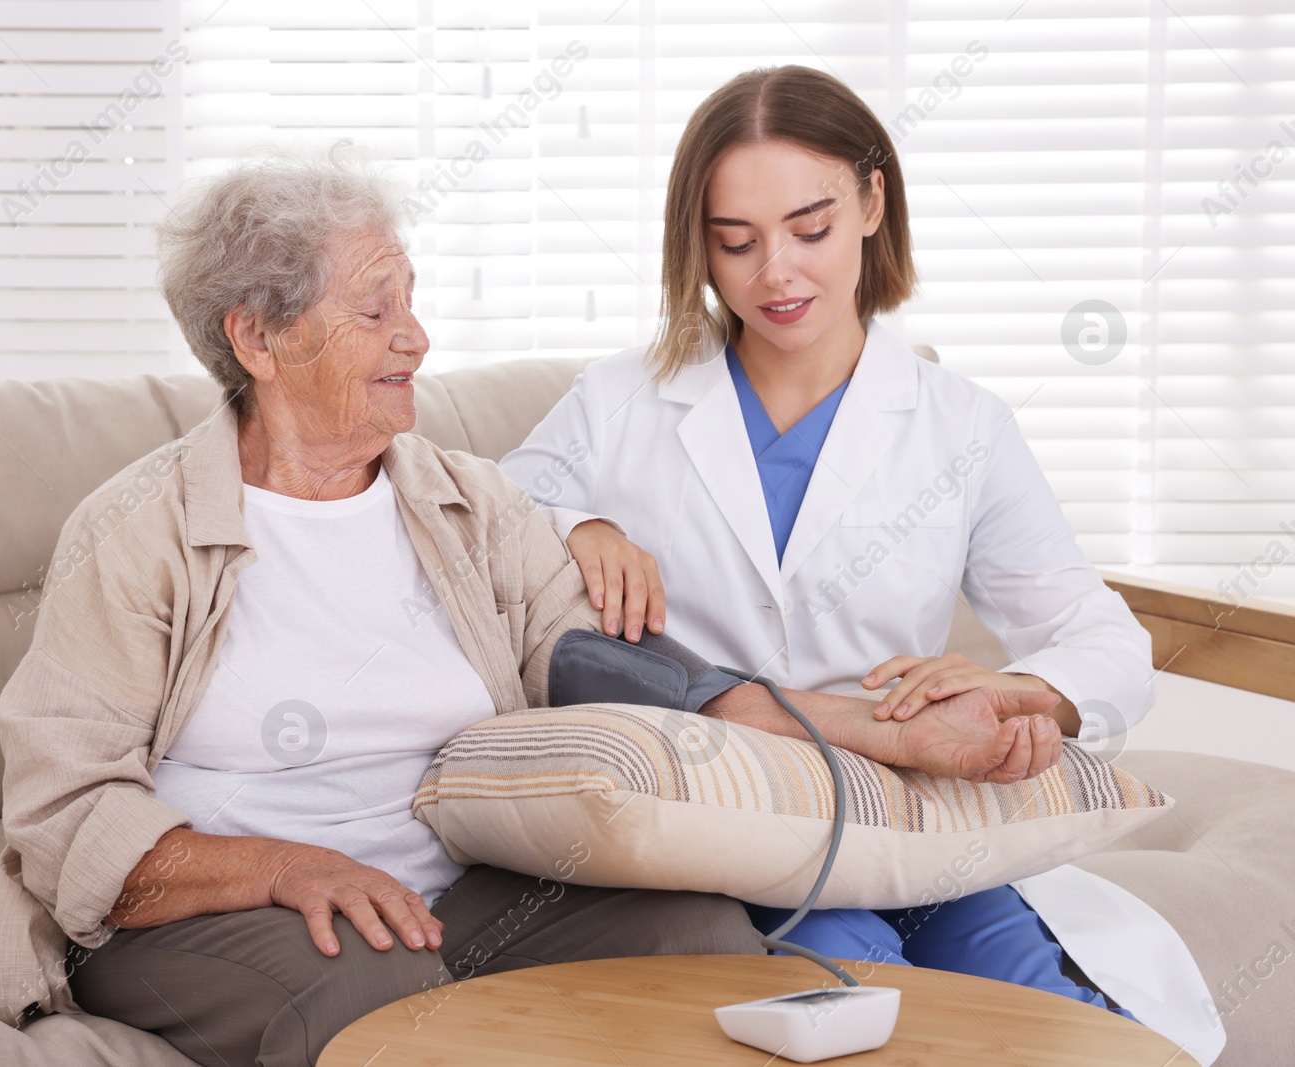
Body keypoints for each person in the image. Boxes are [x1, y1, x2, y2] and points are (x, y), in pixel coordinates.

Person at [0, 146, 1064, 1067]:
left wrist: (887, 729)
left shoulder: (461, 499)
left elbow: (628, 674)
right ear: (258, 336)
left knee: (698, 933)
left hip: (455, 892)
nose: (418, 337)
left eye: (412, 300)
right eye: (375, 309)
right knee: (375, 975)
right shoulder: (138, 530)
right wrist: (284, 867)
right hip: (203, 912)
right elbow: (64, 811)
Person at [500, 64, 1222, 1062]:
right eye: (734, 241)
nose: (776, 275)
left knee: (1063, 1025)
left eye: (810, 227)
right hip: (747, 824)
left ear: (873, 202)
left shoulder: (960, 425)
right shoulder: (618, 399)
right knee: (864, 1010)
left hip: (922, 824)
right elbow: (481, 520)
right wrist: (577, 522)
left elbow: (1100, 636)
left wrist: (1020, 691)